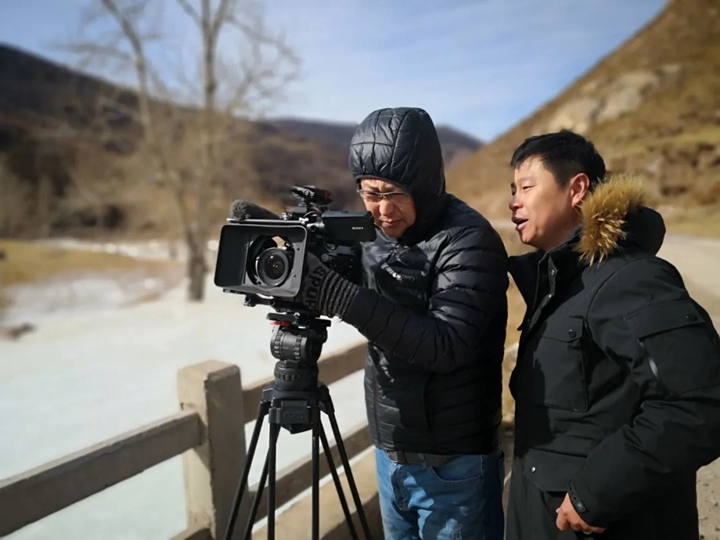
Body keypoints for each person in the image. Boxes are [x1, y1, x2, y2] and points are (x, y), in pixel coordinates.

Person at [284, 107, 509, 539]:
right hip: (390, 455)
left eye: (395, 193)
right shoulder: (374, 235)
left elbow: (446, 344)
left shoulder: (469, 241)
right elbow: (352, 286)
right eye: (370, 193)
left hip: (452, 466)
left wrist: (339, 296)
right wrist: (288, 241)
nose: (383, 210)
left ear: (424, 185)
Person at [504, 129, 720, 539]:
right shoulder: (562, 284)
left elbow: (701, 400)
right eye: (512, 190)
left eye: (526, 187)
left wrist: (596, 492)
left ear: (577, 189)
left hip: (611, 521)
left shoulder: (630, 278)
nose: (514, 201)